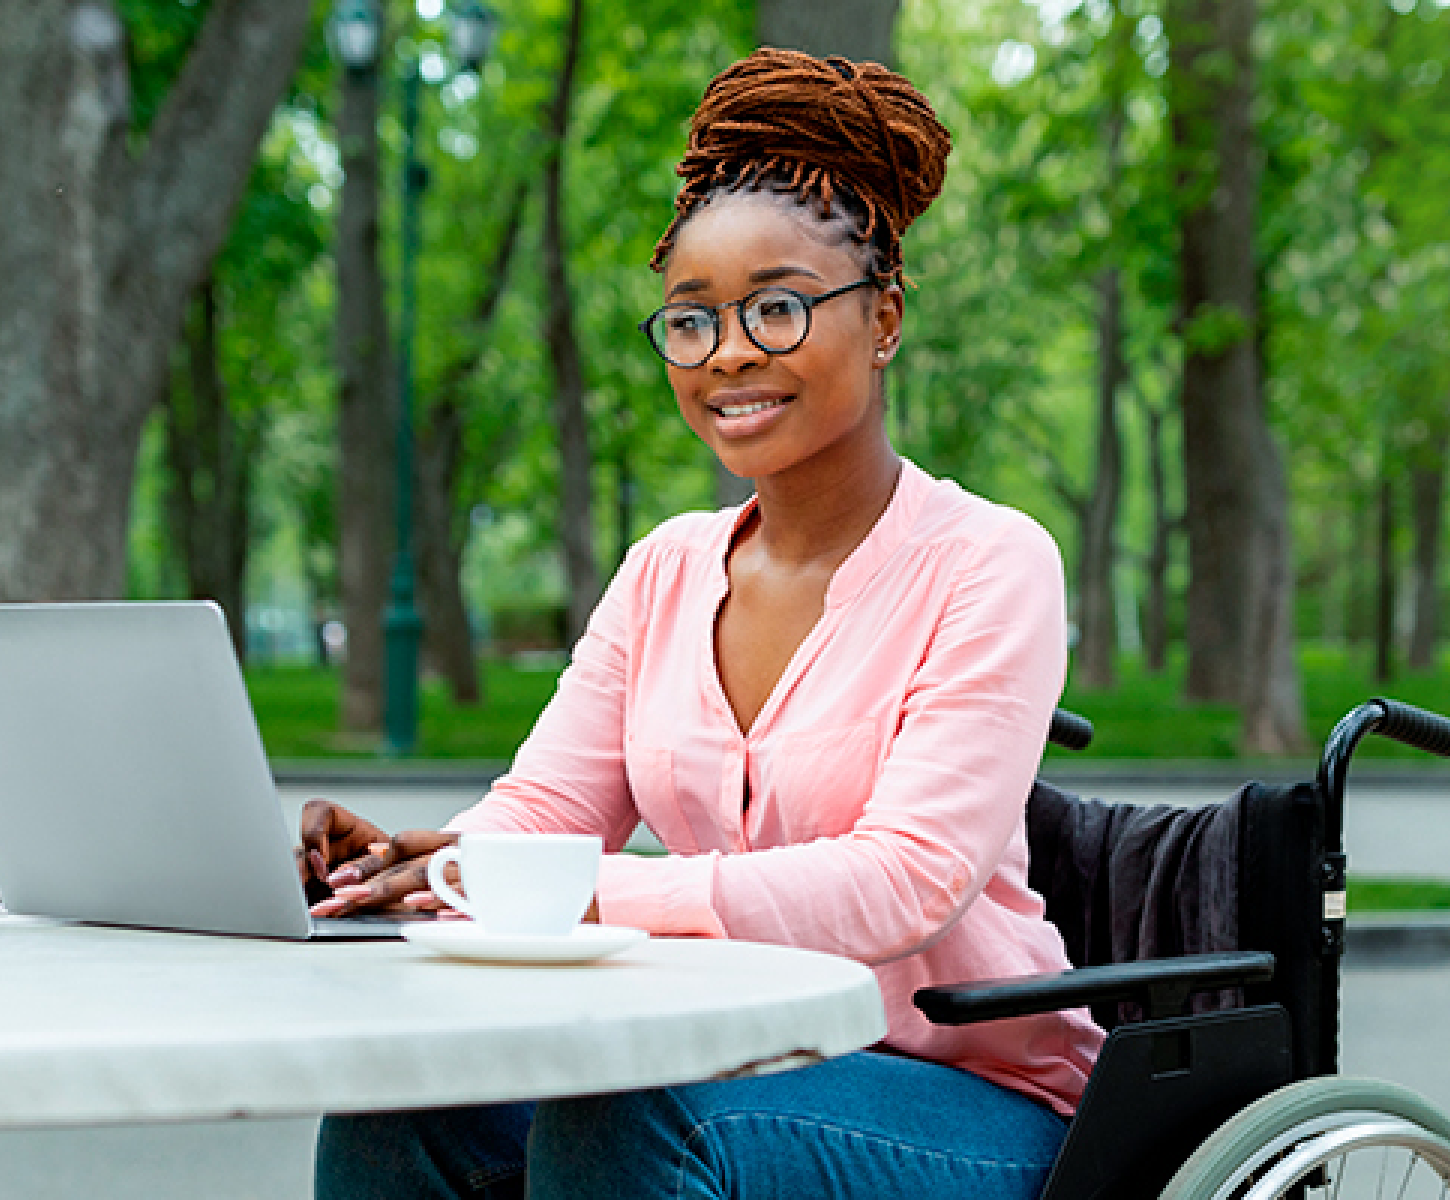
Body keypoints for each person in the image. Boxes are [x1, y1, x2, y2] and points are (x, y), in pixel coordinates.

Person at [296, 48, 1095, 1199]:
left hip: (966, 1090)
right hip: (725, 1049)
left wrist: (594, 895)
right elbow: (550, 808)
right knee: (405, 1110)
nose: (728, 354)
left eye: (777, 308)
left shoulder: (988, 561)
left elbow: (908, 879)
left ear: (882, 321)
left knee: (632, 1124)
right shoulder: (666, 569)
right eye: (692, 319)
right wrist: (427, 863)